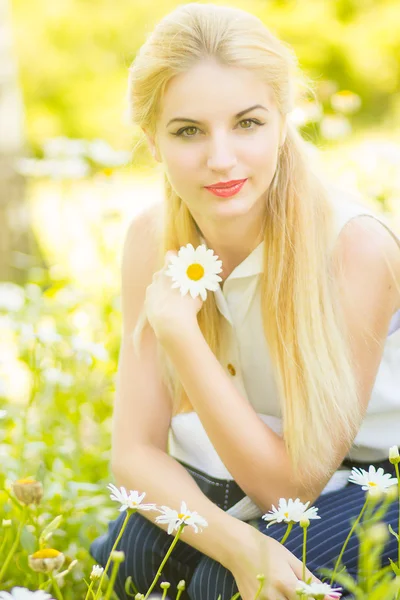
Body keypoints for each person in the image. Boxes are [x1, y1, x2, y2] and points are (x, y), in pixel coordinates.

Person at [89, 3, 400, 599]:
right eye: (188, 131)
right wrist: (240, 544)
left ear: (283, 119)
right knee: (127, 564)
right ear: (151, 138)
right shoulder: (151, 239)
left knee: (221, 590)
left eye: (248, 123)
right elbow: (134, 453)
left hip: (378, 472)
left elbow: (294, 489)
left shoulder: (355, 248)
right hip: (257, 465)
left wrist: (181, 334)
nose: (221, 158)